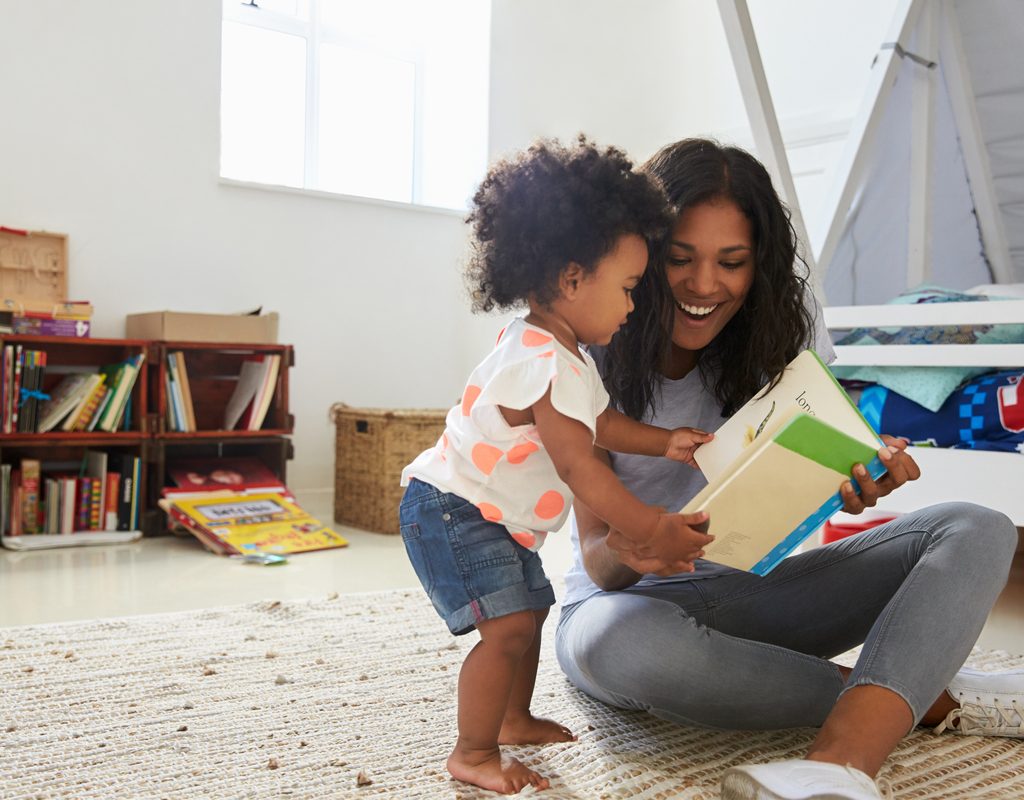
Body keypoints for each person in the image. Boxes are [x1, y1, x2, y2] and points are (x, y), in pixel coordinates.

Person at [554, 138, 1022, 800]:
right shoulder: (587, 350)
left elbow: (813, 475)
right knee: (616, 645)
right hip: (626, 605)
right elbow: (599, 561)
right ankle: (923, 697)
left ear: (759, 265)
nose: (704, 284)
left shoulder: (782, 330)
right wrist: (644, 545)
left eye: (732, 262)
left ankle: (838, 767)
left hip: (756, 592)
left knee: (979, 528)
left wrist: (856, 483)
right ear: (642, 255)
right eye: (679, 259)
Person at [398, 137, 717, 795]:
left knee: (533, 608)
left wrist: (665, 442)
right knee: (508, 627)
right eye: (628, 289)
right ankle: (473, 750)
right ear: (573, 279)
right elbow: (581, 468)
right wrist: (650, 526)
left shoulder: (565, 354)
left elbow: (602, 426)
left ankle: (512, 717)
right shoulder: (542, 363)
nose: (633, 307)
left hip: (486, 512)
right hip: (451, 508)